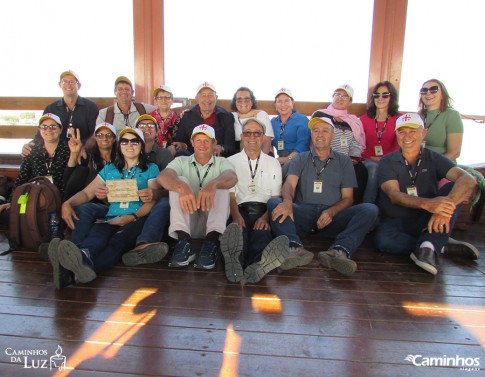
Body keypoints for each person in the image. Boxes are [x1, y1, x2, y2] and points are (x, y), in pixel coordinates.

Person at [49, 128, 163, 289]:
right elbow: (87, 193)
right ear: (119, 145)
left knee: (117, 243)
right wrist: (67, 204)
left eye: (134, 141)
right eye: (124, 141)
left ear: (141, 145)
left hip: (137, 218)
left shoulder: (151, 168)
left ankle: (70, 271)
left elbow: (152, 201)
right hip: (111, 216)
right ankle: (79, 261)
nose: (129, 145)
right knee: (96, 236)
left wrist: (133, 217)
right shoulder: (110, 169)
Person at [268, 116, 379, 275]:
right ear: (311, 134)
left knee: (370, 209)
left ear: (333, 136)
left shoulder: (344, 161)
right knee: (274, 203)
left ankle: (339, 251)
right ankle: (294, 248)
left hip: (332, 217)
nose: (320, 134)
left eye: (325, 130)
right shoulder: (301, 158)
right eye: (315, 130)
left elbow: (348, 198)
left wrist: (331, 211)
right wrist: (287, 201)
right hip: (303, 214)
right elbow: (289, 184)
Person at [374, 113, 478, 275]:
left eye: (413, 131)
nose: (407, 136)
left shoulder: (433, 157)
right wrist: (428, 204)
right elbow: (393, 194)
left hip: (428, 217)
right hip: (397, 220)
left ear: (423, 133)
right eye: (402, 132)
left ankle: (429, 245)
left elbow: (468, 180)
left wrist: (445, 207)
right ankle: (436, 245)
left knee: (453, 187)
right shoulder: (388, 161)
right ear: (396, 135)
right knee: (384, 241)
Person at [157, 124, 237, 269]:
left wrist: (213, 184)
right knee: (178, 181)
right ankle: (184, 243)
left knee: (220, 186)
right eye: (198, 140)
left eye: (207, 141)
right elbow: (163, 176)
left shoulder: (222, 162)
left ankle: (211, 244)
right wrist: (182, 187)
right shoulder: (181, 161)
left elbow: (232, 177)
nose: (202, 145)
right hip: (189, 221)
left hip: (212, 223)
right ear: (192, 142)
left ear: (214, 143)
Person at [221, 118, 289, 283]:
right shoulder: (230, 161)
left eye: (257, 133)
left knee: (262, 235)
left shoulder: (273, 163)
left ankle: (257, 266)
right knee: (238, 236)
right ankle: (235, 263)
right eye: (247, 133)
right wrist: (236, 215)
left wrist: (266, 217)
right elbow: (230, 194)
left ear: (263, 137)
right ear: (242, 136)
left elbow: (275, 197)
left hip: (263, 210)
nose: (252, 137)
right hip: (240, 208)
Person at [121, 114, 173, 266]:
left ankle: (145, 244)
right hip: (130, 201)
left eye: (150, 126)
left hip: (155, 200)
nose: (146, 129)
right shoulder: (127, 151)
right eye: (142, 126)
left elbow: (170, 185)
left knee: (164, 202)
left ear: (157, 132)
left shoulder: (164, 155)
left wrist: (155, 193)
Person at [0, 113, 70, 225]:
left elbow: (72, 181)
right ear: (39, 129)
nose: (48, 130)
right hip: (34, 197)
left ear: (60, 129)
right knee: (6, 216)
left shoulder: (69, 150)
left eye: (53, 126)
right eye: (44, 126)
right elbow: (21, 178)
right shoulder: (32, 150)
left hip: (59, 198)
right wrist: (11, 202)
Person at [312, 84, 367, 204]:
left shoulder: (353, 121)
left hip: (346, 158)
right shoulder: (320, 115)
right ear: (332, 97)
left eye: (344, 96)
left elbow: (356, 143)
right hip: (326, 155)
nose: (340, 98)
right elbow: (316, 138)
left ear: (350, 101)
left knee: (360, 170)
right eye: (337, 94)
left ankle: (353, 206)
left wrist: (352, 158)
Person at [22, 70, 99, 156]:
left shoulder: (90, 107)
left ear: (79, 85)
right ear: (60, 85)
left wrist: (83, 149)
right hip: (57, 155)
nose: (68, 85)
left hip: (82, 153)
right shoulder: (51, 108)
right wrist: (29, 145)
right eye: (64, 81)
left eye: (72, 82)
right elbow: (41, 133)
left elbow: (95, 134)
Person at [360, 81, 401, 203]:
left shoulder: (399, 119)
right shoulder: (364, 119)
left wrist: (385, 158)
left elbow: (400, 143)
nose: (380, 98)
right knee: (374, 168)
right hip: (368, 159)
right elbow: (358, 143)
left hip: (391, 159)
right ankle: (367, 207)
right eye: (376, 95)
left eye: (385, 95)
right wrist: (371, 157)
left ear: (392, 97)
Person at [173, 82, 235, 157]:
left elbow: (231, 146)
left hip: (215, 157)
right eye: (203, 95)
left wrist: (221, 148)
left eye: (210, 95)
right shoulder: (187, 116)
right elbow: (180, 140)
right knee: (181, 154)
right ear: (197, 99)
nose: (207, 99)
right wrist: (182, 144)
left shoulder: (227, 117)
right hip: (192, 157)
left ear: (216, 97)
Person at [63, 122, 117, 200]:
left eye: (108, 135)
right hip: (90, 197)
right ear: (95, 138)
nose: (104, 138)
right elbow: (68, 178)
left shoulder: (120, 158)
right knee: (82, 170)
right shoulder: (87, 156)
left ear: (114, 139)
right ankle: (67, 205)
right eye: (100, 135)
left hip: (112, 196)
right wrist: (74, 153)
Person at [418, 79, 463, 162]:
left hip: (442, 165)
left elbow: (455, 152)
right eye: (424, 90)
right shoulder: (419, 115)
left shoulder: (452, 115)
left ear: (442, 95)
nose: (428, 93)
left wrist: (432, 167)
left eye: (434, 89)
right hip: (419, 164)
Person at [270, 88, 310, 168]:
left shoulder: (302, 120)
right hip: (280, 158)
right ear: (275, 105)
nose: (283, 104)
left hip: (299, 158)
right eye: (279, 101)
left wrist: (287, 159)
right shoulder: (273, 122)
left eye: (286, 101)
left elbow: (303, 145)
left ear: (292, 103)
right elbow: (267, 141)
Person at [230, 87, 274, 154]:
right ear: (235, 102)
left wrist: (261, 160)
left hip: (261, 152)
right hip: (238, 154)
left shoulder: (261, 115)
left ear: (252, 102)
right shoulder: (231, 117)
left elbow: (267, 140)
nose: (243, 102)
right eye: (239, 100)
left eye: (247, 99)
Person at [150, 85, 180, 156]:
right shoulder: (149, 119)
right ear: (156, 101)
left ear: (172, 100)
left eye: (167, 97)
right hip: (153, 152)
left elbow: (183, 140)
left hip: (174, 154)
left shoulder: (179, 118)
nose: (163, 101)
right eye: (160, 98)